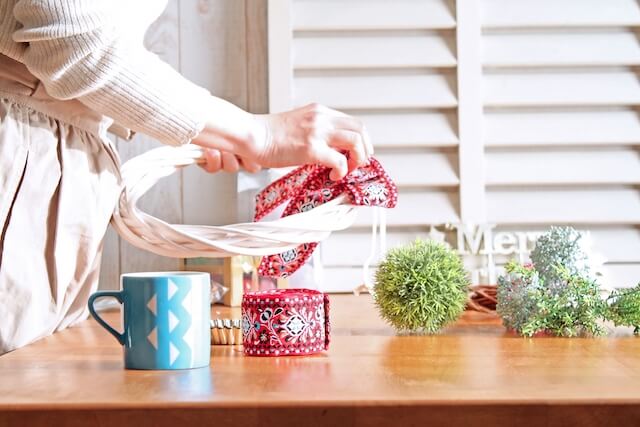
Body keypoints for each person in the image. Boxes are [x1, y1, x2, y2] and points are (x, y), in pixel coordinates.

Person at [0, 0, 372, 354]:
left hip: (47, 158)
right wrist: (258, 134)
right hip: (20, 155)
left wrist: (215, 126)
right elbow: (75, 39)